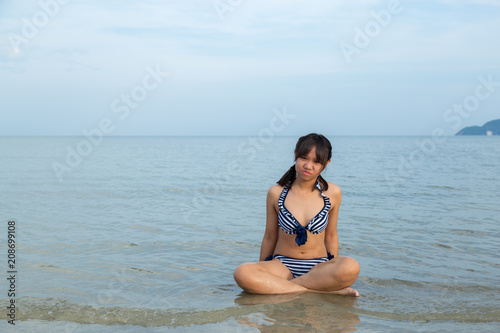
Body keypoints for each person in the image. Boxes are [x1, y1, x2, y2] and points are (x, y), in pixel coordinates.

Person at [233, 133, 360, 296]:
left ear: (326, 164)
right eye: (304, 158)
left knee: (351, 266)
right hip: (283, 265)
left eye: (316, 161)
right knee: (242, 273)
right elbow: (270, 236)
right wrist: (262, 270)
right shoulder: (276, 193)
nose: (308, 165)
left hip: (318, 267)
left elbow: (331, 236)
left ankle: (283, 288)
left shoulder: (332, 193)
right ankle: (321, 292)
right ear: (295, 155)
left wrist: (332, 270)